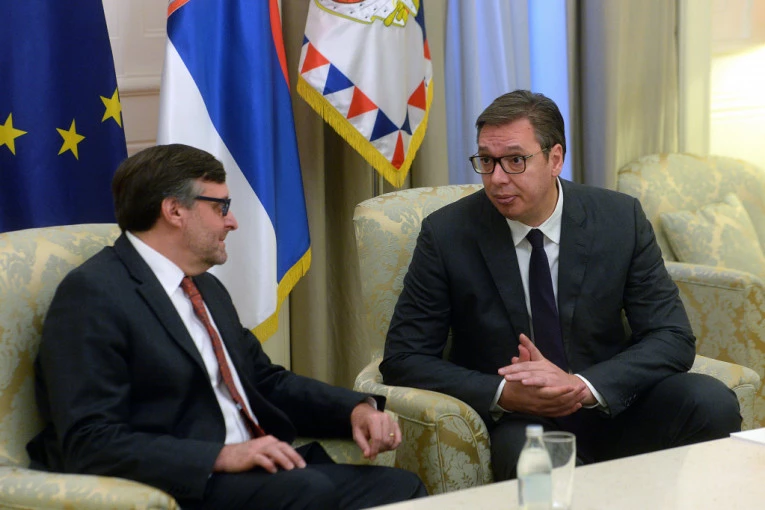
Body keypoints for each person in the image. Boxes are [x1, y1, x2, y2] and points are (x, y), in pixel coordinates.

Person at [27, 144, 427, 509]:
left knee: (401, 489)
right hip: (185, 483)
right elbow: (90, 439)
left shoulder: (204, 288)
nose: (232, 222)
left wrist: (354, 409)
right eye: (221, 207)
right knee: (308, 491)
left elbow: (264, 381)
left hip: (260, 475)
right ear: (174, 211)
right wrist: (220, 456)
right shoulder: (92, 294)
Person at [380, 90, 741, 481]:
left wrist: (583, 386)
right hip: (524, 420)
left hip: (614, 403)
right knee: (533, 462)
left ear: (555, 159)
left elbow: (671, 335)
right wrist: (504, 393)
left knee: (710, 401)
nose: (497, 178)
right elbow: (405, 357)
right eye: (486, 161)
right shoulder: (447, 234)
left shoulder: (620, 219)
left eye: (515, 160)